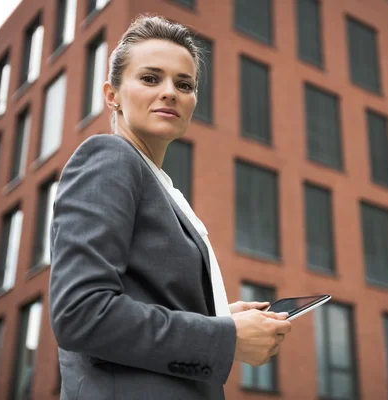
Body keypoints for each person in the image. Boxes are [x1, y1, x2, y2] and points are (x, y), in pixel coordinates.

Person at [48, 14, 292, 400]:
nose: (170, 92)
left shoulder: (161, 188)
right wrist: (224, 338)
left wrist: (219, 318)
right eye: (150, 78)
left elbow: (146, 301)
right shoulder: (109, 158)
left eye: (184, 84)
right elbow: (81, 314)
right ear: (112, 95)